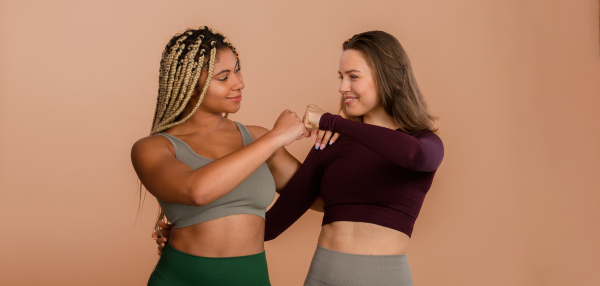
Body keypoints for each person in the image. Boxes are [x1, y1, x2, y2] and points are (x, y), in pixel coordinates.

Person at [155, 30, 443, 286]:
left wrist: (334, 122)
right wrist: (191, 231)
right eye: (341, 77)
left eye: (353, 77)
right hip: (321, 275)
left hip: (383, 277)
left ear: (387, 77)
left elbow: (414, 156)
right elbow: (273, 223)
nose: (343, 87)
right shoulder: (330, 146)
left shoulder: (423, 142)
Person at [132, 26, 336, 286]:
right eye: (223, 77)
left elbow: (324, 199)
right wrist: (275, 137)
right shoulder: (153, 147)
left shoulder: (257, 138)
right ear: (190, 86)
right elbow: (197, 191)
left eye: (237, 69)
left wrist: (343, 135)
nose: (239, 82)